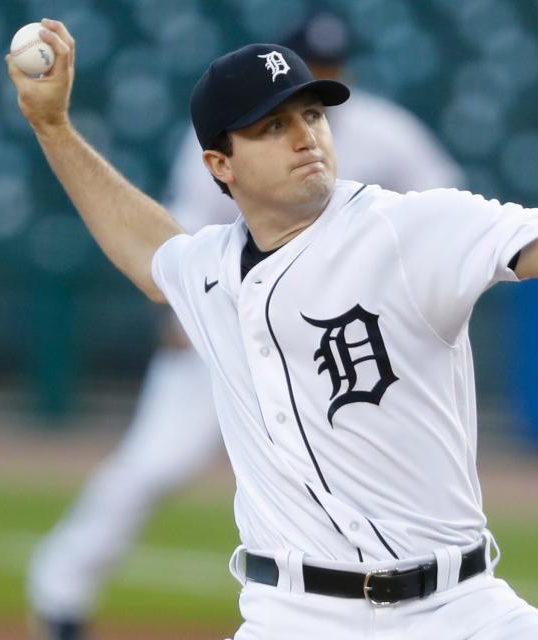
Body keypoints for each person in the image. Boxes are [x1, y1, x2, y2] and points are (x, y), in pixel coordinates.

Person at [8, 19, 538, 639]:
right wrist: (53, 128)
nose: (305, 134)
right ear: (222, 167)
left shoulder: (413, 228)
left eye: (311, 113)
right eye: (273, 126)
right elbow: (150, 250)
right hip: (292, 620)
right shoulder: (209, 269)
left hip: (462, 613)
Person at [26, 12, 463, 640]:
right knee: (156, 464)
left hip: (330, 344)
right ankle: (60, 589)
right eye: (318, 63)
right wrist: (184, 306)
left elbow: (443, 202)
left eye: (334, 69)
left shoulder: (385, 131)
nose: (327, 77)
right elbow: (182, 226)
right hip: (231, 328)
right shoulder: (236, 130)